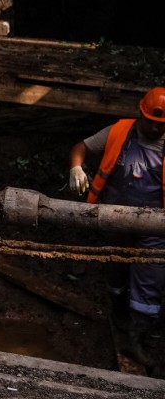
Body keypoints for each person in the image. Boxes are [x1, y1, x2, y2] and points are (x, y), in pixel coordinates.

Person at [69, 86, 165, 367]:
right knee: (115, 271)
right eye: (151, 121)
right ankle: (118, 315)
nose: (155, 128)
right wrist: (76, 167)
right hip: (114, 217)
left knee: (151, 279)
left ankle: (137, 338)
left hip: (156, 227)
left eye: (162, 125)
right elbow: (81, 147)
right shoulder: (119, 132)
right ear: (140, 113)